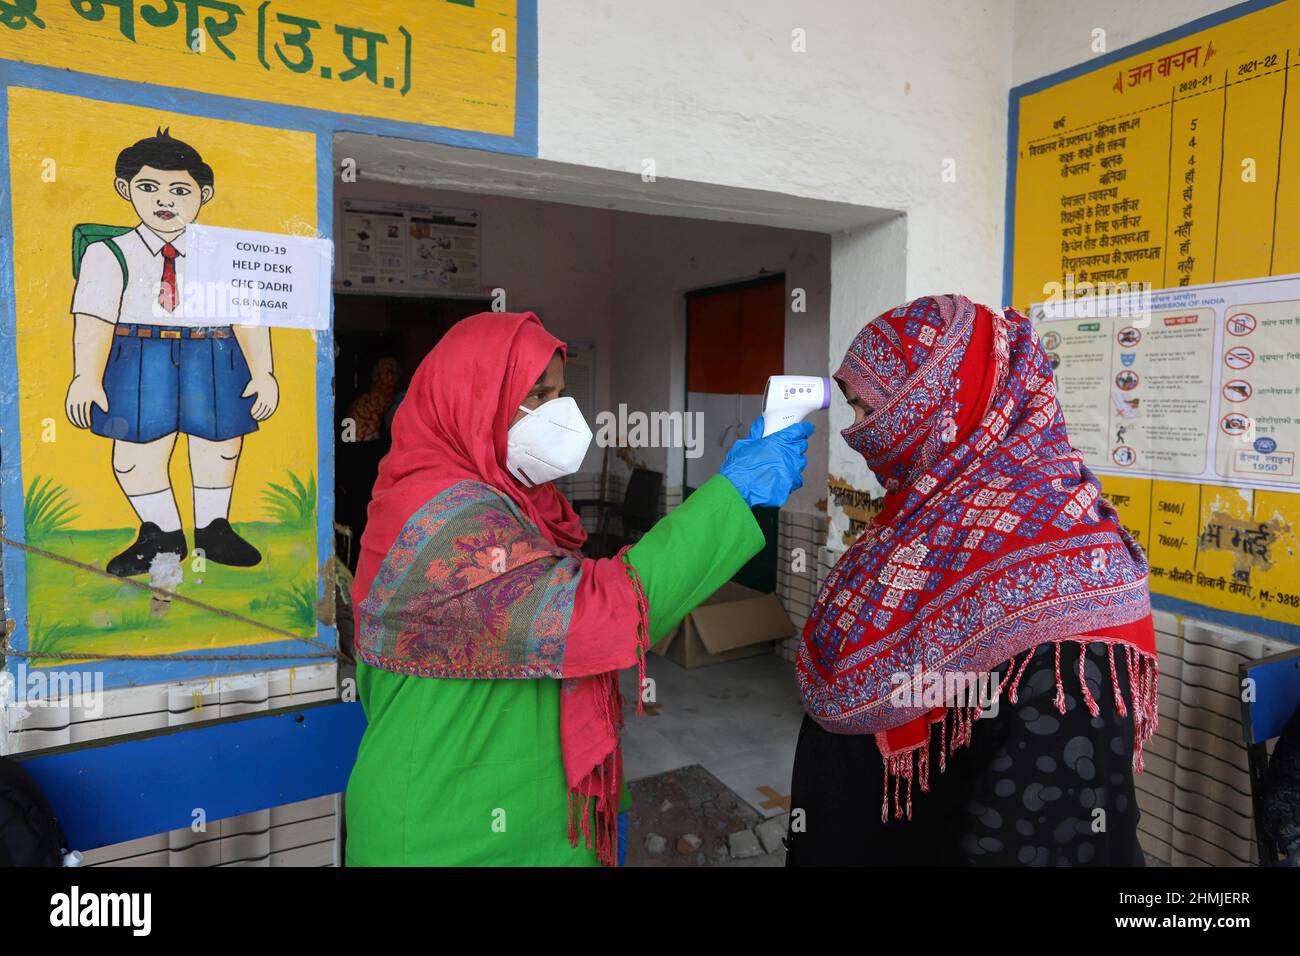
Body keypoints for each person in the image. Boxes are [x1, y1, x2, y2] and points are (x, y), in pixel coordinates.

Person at [344, 310, 811, 866]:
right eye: (538, 395)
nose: (561, 414)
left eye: (561, 394)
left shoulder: (514, 505)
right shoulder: (445, 521)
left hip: (527, 811)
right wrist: (734, 495)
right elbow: (598, 613)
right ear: (471, 400)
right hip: (446, 830)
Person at [786, 294, 1158, 867]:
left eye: (871, 410)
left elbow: (1043, 829)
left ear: (936, 403)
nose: (857, 435)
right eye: (856, 409)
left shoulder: (1071, 574)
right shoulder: (915, 522)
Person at [65, 128, 276, 576]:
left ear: (204, 194)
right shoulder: (107, 253)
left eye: (180, 189)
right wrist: (86, 376)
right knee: (135, 454)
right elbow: (94, 318)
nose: (166, 200)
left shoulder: (225, 255)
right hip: (140, 355)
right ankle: (161, 534)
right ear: (126, 189)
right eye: (149, 187)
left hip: (212, 352)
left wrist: (264, 372)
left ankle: (214, 528)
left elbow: (249, 316)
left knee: (219, 446)